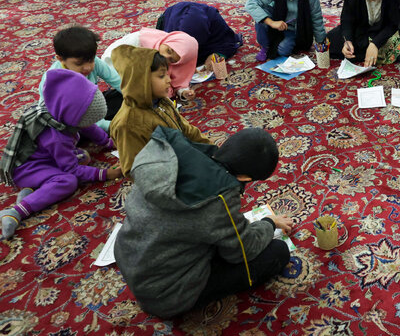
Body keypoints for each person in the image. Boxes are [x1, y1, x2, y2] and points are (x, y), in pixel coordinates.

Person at [114, 125, 293, 318]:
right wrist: (268, 223)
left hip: (135, 263)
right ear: (245, 177)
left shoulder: (170, 156)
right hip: (167, 295)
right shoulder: (219, 197)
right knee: (277, 252)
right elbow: (242, 250)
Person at [0, 69, 121, 240]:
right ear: (73, 118)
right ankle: (15, 211)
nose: (87, 123)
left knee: (84, 157)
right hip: (27, 170)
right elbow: (72, 170)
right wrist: (106, 173)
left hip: (44, 158)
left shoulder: (62, 113)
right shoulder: (56, 137)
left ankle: (33, 190)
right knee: (68, 181)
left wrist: (108, 143)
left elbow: (89, 126)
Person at [109, 45, 212, 177]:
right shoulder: (128, 124)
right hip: (169, 182)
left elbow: (186, 129)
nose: (169, 80)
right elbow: (134, 170)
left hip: (184, 163)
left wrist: (211, 149)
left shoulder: (162, 101)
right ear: (141, 80)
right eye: (162, 76)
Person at [39, 26, 122, 132]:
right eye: (79, 63)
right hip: (69, 120)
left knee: (125, 95)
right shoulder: (56, 81)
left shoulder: (94, 62)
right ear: (60, 59)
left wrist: (138, 98)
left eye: (91, 60)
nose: (87, 67)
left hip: (90, 108)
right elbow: (76, 118)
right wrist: (112, 126)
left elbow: (118, 81)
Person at [102, 28, 199, 101]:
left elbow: (178, 77)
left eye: (172, 60)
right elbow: (109, 62)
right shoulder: (139, 41)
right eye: (168, 50)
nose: (165, 56)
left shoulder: (171, 59)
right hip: (116, 69)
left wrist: (183, 92)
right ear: (168, 41)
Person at [156, 1, 243, 70]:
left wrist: (217, 54)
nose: (167, 57)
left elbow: (228, 41)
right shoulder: (172, 34)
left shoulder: (214, 21)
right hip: (176, 15)